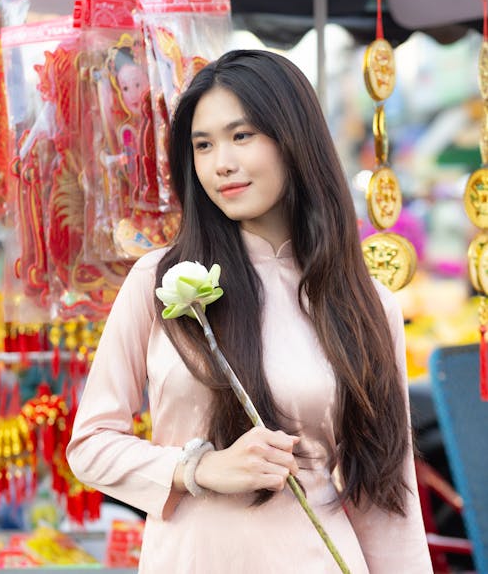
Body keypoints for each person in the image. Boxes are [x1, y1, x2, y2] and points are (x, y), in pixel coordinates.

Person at [67, 49, 433, 573]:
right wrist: (198, 468)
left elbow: (385, 495)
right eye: (203, 145)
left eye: (242, 136)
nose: (222, 164)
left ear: (293, 139)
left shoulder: (366, 303)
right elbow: (91, 445)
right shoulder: (160, 280)